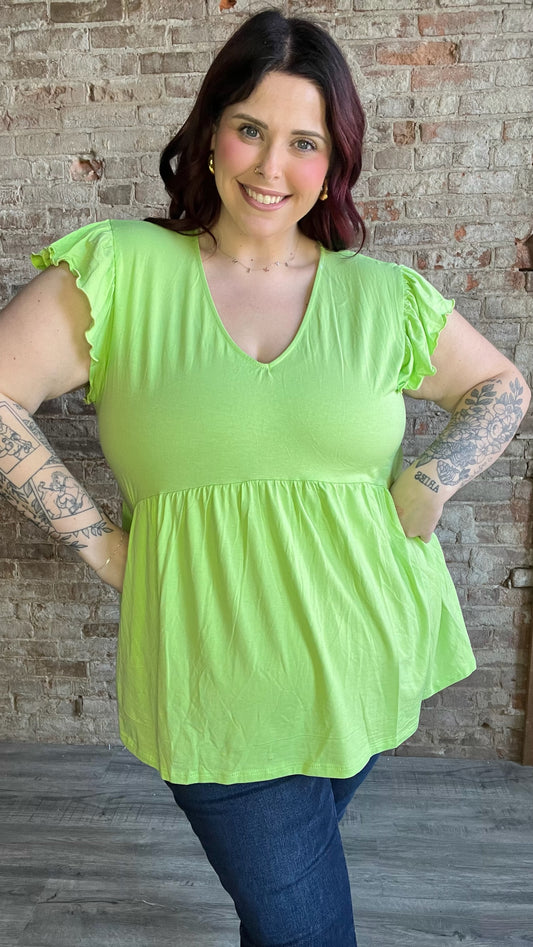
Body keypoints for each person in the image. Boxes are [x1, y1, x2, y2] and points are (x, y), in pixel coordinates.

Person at [0, 10, 529, 947]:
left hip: (366, 656)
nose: (271, 166)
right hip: (213, 677)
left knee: (277, 916)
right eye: (250, 128)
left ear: (333, 161)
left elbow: (501, 386)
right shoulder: (119, 271)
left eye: (304, 141)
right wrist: (101, 545)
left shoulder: (380, 295)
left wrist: (433, 477)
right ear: (209, 134)